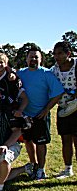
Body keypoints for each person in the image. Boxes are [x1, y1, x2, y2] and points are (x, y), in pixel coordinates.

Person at [17, 46, 64, 180]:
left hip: (40, 115)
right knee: (28, 141)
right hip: (26, 115)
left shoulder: (47, 74)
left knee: (40, 143)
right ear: (26, 59)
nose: (33, 59)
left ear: (41, 59)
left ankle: (41, 170)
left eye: (36, 57)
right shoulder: (21, 73)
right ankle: (33, 165)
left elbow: (58, 93)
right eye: (31, 56)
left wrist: (46, 109)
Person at [0, 84, 31, 191]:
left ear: (0, 95)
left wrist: (6, 145)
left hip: (11, 144)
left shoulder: (7, 110)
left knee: (4, 158)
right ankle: (25, 168)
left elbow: (18, 131)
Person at [50, 41, 77, 178]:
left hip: (76, 109)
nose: (57, 56)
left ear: (68, 54)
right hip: (63, 109)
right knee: (65, 139)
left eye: (60, 53)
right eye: (55, 54)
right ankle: (68, 169)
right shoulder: (54, 70)